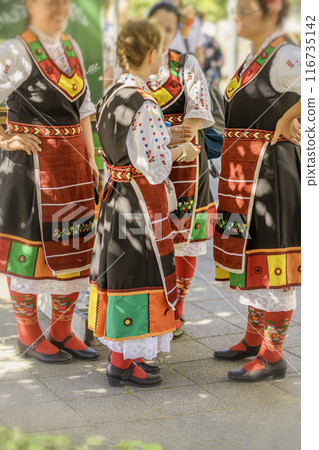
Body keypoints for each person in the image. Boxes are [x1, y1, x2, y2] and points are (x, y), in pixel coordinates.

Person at [88, 20, 200, 387]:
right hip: (138, 201)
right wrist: (181, 149)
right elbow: (155, 167)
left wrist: (164, 136)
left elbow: (126, 144)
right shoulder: (146, 103)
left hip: (115, 199)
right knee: (139, 273)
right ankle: (123, 363)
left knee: (119, 273)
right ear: (151, 53)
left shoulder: (110, 94)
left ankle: (122, 357)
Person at [0, 0, 99, 363]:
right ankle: (27, 332)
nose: (59, 7)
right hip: (32, 165)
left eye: (63, 2)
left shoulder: (70, 47)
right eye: (49, 1)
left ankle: (61, 329)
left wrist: (91, 160)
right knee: (30, 247)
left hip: (72, 163)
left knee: (74, 245)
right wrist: (4, 138)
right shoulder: (15, 49)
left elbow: (85, 109)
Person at [213, 0, 301, 382]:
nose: (237, 18)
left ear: (271, 11)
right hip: (242, 173)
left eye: (245, 10)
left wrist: (287, 118)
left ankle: (273, 355)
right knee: (249, 255)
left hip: (270, 172)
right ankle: (253, 338)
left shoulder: (286, 53)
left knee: (272, 258)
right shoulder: (257, 55)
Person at [148, 2, 215, 337]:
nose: (163, 32)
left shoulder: (186, 63)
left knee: (184, 237)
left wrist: (176, 142)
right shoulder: (134, 66)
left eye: (169, 27)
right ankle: (154, 306)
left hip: (186, 160)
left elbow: (196, 111)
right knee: (150, 235)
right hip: (146, 158)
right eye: (157, 25)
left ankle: (178, 310)